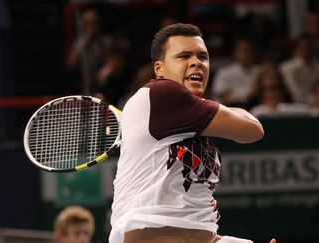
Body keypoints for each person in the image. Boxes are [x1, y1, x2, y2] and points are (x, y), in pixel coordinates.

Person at [109, 23, 275, 243]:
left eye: (203, 57)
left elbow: (193, 221)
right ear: (159, 69)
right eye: (184, 56)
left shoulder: (183, 118)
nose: (197, 62)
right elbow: (252, 129)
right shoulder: (162, 93)